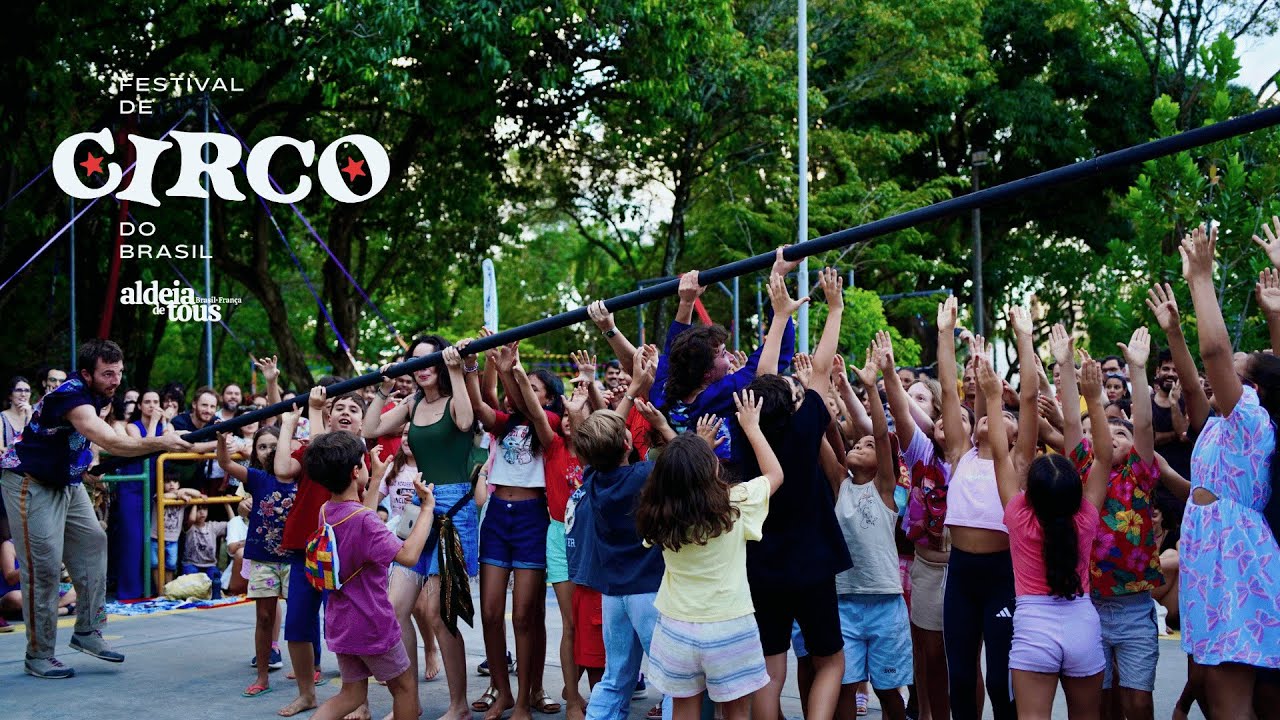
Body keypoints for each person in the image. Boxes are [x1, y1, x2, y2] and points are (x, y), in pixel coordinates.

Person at [0, 339, 192, 678]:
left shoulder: (100, 395)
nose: (116, 380)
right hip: (29, 481)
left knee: (92, 543)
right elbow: (111, 440)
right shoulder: (72, 395)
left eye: (119, 373)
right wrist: (161, 441)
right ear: (87, 373)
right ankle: (38, 654)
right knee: (43, 567)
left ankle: (88, 631)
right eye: (107, 374)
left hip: (66, 482)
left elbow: (74, 438)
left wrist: (83, 465)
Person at [981, 326, 1111, 719]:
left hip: (1033, 629)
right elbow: (1103, 459)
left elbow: (1002, 457)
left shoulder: (1018, 517)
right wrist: (1095, 400)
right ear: (1076, 492)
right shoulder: (1085, 518)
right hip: (1083, 625)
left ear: (1030, 495)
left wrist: (990, 398)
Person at [1178, 224, 1280, 716]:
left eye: (1243, 366)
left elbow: (1215, 351)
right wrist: (1174, 330)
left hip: (1235, 561)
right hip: (1211, 556)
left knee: (1231, 704)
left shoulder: (1252, 422)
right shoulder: (1220, 424)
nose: (1230, 362)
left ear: (1254, 391)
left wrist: (1202, 278)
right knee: (1228, 698)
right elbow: (1197, 384)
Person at [739, 269, 848, 720]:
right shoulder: (806, 427)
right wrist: (835, 307)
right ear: (796, 403)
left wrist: (780, 319)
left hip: (762, 566)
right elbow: (820, 368)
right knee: (831, 660)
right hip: (812, 564)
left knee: (770, 666)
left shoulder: (747, 428)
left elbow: (765, 378)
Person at [634, 388, 778, 720]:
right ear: (711, 467)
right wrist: (752, 428)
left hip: (676, 627)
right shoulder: (735, 503)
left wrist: (694, 449)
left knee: (683, 709)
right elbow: (774, 475)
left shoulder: (657, 513)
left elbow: (680, 475)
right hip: (730, 625)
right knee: (736, 713)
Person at [361, 337, 478, 720]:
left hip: (453, 505)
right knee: (395, 608)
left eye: (429, 359)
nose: (421, 366)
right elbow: (371, 427)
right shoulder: (412, 402)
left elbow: (464, 421)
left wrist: (458, 368)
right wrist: (382, 389)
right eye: (414, 361)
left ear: (442, 363)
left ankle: (458, 705)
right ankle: (406, 703)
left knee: (440, 615)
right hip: (419, 502)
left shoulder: (451, 395)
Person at [1059, 324, 1163, 720]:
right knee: (1098, 704)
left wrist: (1137, 370)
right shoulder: (1084, 470)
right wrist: (1065, 366)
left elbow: (1146, 426)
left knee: (1137, 702)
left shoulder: (1140, 471)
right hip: (1090, 606)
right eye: (1100, 431)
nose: (1108, 436)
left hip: (1135, 608)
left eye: (1120, 431)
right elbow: (1072, 423)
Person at [936, 299, 1033, 720]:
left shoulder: (1017, 464)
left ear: (1014, 436)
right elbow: (946, 389)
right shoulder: (961, 454)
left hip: (1001, 575)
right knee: (959, 675)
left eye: (1004, 418)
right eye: (985, 418)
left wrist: (1025, 340)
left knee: (999, 680)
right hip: (960, 573)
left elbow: (1027, 398)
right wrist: (945, 335)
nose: (991, 421)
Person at [301, 431, 439, 720]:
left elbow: (361, 519)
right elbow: (409, 555)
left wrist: (375, 480)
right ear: (355, 472)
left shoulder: (327, 511)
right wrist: (427, 508)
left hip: (341, 620)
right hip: (372, 621)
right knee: (405, 690)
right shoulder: (364, 521)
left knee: (351, 694)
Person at [464, 339, 564, 720]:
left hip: (532, 517)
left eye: (535, 388)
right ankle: (502, 691)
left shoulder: (549, 422)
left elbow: (532, 409)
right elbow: (482, 408)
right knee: (490, 611)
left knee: (525, 615)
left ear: (548, 398)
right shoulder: (508, 423)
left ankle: (527, 696)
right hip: (497, 517)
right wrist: (476, 367)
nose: (522, 394)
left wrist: (513, 371)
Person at [827, 334, 915, 720]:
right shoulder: (838, 484)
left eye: (866, 447)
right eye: (855, 444)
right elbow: (822, 435)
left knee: (887, 688)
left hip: (885, 603)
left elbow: (881, 434)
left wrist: (869, 387)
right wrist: (824, 388)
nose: (859, 446)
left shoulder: (884, 488)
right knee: (846, 685)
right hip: (844, 600)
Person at [648, 247, 798, 460]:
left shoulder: (662, 393)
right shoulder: (720, 395)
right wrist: (778, 277)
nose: (731, 358)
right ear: (706, 373)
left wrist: (687, 301)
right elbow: (779, 351)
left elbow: (674, 349)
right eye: (723, 354)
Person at [275, 386, 368, 717]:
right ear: (329, 417)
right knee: (298, 624)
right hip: (306, 550)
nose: (345, 411)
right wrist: (288, 425)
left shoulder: (359, 455)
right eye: (338, 407)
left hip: (343, 557)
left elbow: (327, 463)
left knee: (347, 628)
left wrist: (315, 412)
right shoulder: (309, 447)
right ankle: (307, 693)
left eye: (353, 409)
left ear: (362, 423)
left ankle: (358, 699)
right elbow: (283, 470)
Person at [883, 343, 963, 720]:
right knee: (930, 655)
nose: (949, 421)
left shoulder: (980, 459)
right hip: (928, 569)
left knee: (963, 657)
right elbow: (901, 414)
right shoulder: (922, 454)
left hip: (966, 570)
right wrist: (888, 374)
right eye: (943, 418)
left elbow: (948, 391)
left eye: (960, 416)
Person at [573, 408, 666, 720]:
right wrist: (663, 425)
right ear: (628, 442)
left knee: (616, 677)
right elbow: (682, 462)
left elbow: (602, 446)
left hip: (613, 595)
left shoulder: (592, 479)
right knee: (671, 680)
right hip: (648, 593)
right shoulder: (645, 475)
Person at [217, 424, 293, 697]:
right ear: (255, 453)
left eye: (275, 445)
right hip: (263, 558)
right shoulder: (256, 478)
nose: (270, 451)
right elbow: (225, 462)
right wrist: (222, 440)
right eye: (263, 446)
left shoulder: (300, 475)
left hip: (294, 558)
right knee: (263, 616)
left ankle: (311, 667)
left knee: (300, 615)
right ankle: (262, 676)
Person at [3, 376, 33, 449]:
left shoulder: (35, 415)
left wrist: (29, 416)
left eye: (27, 391)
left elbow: (36, 442)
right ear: (10, 395)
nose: (23, 394)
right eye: (18, 390)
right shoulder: (1, 418)